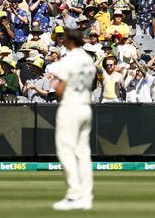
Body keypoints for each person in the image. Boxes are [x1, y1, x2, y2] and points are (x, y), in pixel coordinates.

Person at [52, 29, 96, 211]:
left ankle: (73, 195)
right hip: (86, 106)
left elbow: (59, 90)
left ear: (70, 41)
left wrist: (54, 84)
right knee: (83, 153)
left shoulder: (69, 59)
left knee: (66, 151)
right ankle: (86, 196)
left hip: (71, 106)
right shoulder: (88, 60)